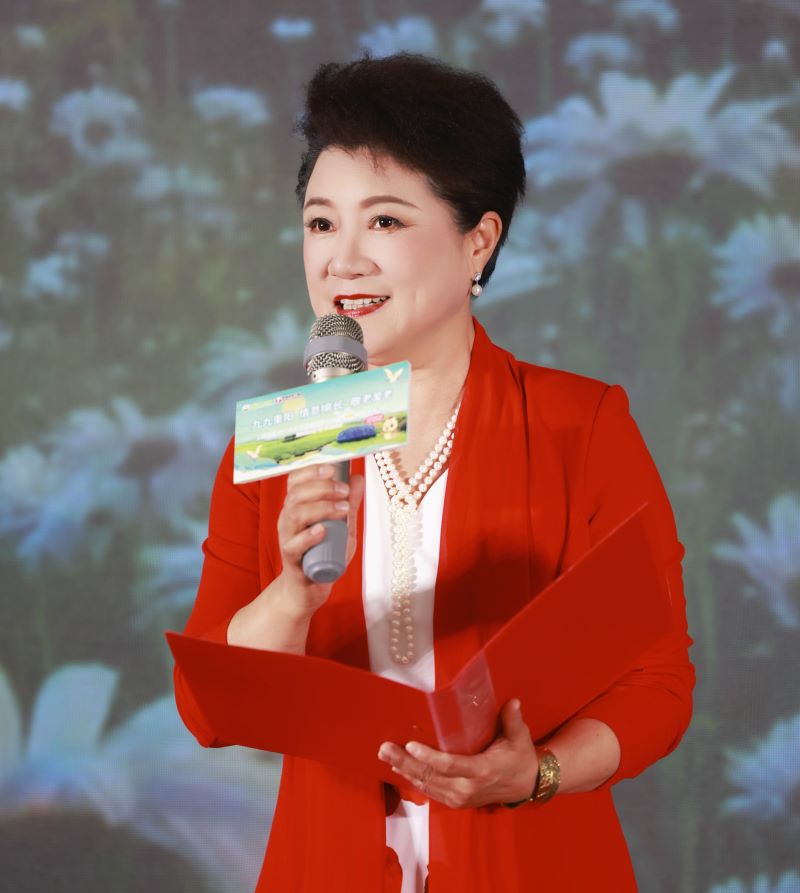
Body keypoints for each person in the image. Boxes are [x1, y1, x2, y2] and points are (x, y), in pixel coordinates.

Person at [173, 54, 694, 892]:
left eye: (383, 221)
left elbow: (659, 681)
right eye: (320, 224)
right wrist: (292, 593)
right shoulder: (274, 446)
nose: (342, 261)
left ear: (477, 240)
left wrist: (539, 772)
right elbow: (207, 705)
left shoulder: (580, 424)